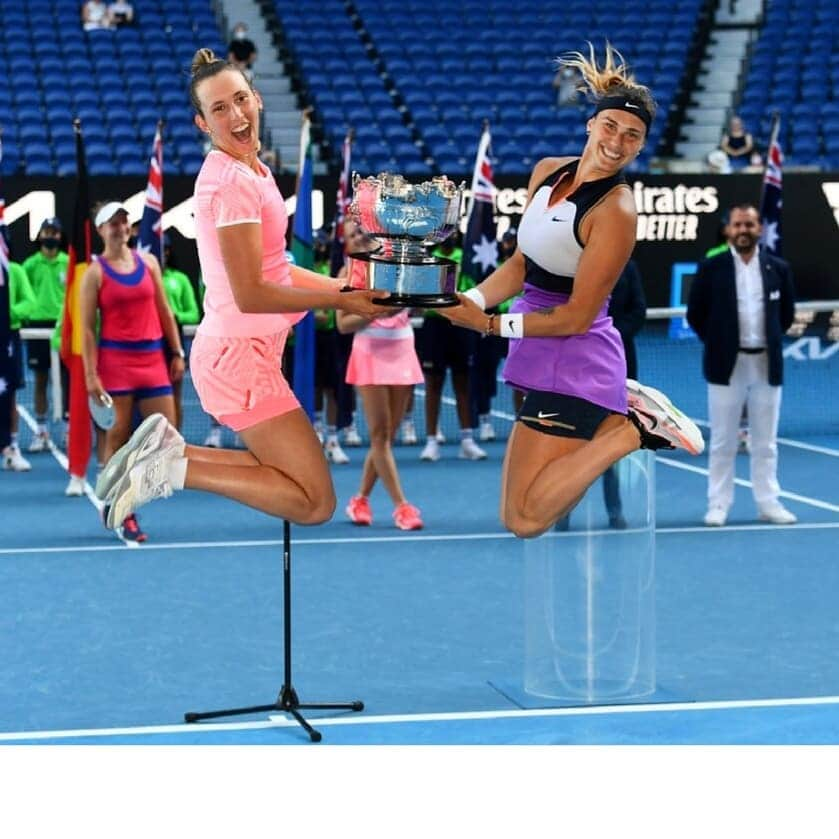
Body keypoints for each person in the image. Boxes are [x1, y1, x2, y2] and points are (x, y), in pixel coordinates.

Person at [94, 48, 388, 534]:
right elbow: (253, 293)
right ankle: (172, 467)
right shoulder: (230, 182)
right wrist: (341, 299)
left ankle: (174, 456)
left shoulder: (254, 171)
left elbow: (279, 268)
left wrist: (349, 285)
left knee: (288, 479)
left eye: (240, 100)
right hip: (239, 358)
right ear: (203, 124)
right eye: (219, 109)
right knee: (314, 502)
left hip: (248, 355)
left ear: (257, 100)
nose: (235, 115)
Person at [438, 43, 704, 538]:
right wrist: (471, 300)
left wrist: (491, 325)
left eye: (632, 136)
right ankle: (622, 425)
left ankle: (630, 430)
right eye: (611, 127)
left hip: (575, 356)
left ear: (640, 147)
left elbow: (579, 316)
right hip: (540, 349)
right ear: (591, 124)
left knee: (524, 520)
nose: (618, 142)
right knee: (513, 510)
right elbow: (521, 264)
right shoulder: (546, 171)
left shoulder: (617, 211)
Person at [79, 201, 184, 540]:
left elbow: (165, 311)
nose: (120, 227)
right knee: (118, 438)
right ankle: (121, 508)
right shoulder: (93, 273)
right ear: (101, 231)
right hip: (116, 363)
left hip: (153, 359)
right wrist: (91, 375)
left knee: (166, 437)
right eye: (112, 223)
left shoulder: (149, 263)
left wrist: (177, 350)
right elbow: (87, 330)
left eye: (123, 222)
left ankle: (122, 497)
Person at [686, 203, 797, 527]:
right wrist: (720, 342)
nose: (744, 230)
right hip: (725, 365)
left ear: (759, 229)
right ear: (728, 230)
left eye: (749, 224)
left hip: (766, 363)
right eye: (738, 225)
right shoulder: (711, 267)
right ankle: (718, 504)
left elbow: (786, 316)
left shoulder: (778, 268)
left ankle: (768, 502)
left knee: (765, 442)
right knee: (722, 441)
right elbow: (696, 314)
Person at [337, 235, 425, 530]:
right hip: (369, 354)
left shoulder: (400, 267)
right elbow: (342, 324)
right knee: (379, 435)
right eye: (354, 233)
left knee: (386, 438)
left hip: (402, 351)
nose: (360, 237)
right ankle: (402, 507)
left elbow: (420, 309)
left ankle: (360, 499)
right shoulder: (349, 272)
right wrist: (377, 311)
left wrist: (414, 298)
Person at [417, 233, 487, 462]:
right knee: (433, 383)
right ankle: (431, 441)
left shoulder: (466, 260)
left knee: (463, 382)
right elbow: (421, 294)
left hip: (460, 326)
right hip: (434, 325)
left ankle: (467, 440)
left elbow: (470, 292)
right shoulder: (427, 259)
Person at [22, 217, 68, 452]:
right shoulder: (30, 265)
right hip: (37, 326)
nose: (51, 236)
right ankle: (41, 430)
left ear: (61, 236)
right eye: (47, 231)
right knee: (40, 379)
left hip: (62, 326)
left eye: (55, 232)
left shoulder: (68, 263)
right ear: (40, 235)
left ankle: (69, 429)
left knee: (66, 379)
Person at [1, 229, 36, 472]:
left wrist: (8, 313)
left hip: (7, 336)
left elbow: (30, 302)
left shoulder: (15, 270)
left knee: (10, 393)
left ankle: (11, 447)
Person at [161, 233, 200, 429]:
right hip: (148, 342)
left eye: (164, 249)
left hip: (173, 342)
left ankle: (175, 441)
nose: (161, 253)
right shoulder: (141, 277)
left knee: (174, 394)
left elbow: (193, 313)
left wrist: (174, 316)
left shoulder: (180, 279)